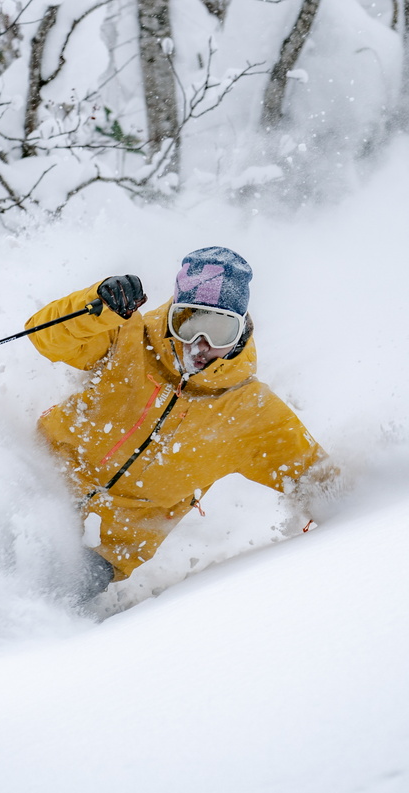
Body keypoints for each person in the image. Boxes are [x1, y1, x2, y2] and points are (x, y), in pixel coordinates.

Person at [25, 246, 337, 602]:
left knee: (38, 597)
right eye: (187, 322)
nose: (199, 344)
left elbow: (321, 484)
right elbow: (44, 335)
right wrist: (96, 306)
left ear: (241, 332)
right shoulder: (127, 335)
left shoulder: (251, 412)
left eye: (220, 330)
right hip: (36, 488)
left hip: (102, 550)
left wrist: (382, 507)